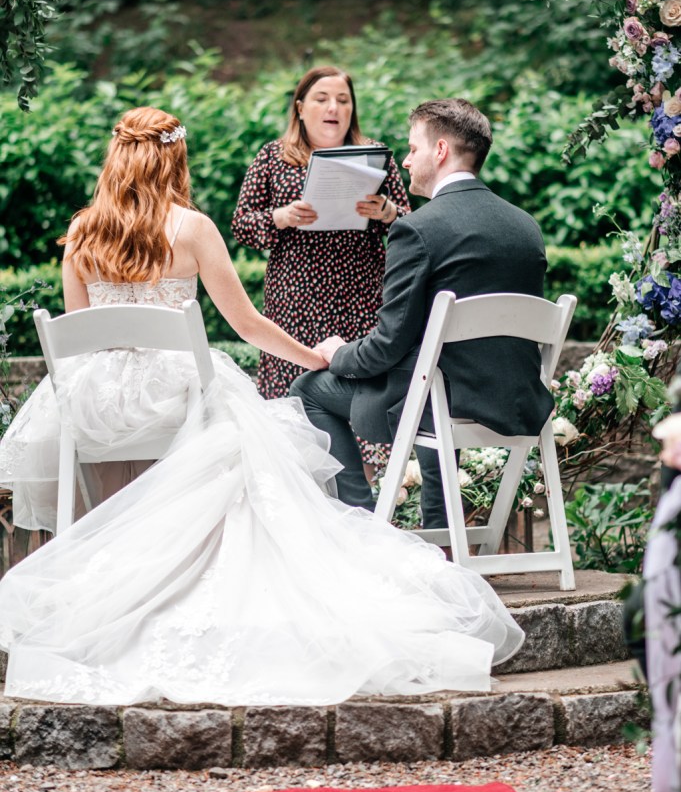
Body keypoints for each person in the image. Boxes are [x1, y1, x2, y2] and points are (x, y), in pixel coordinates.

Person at [0, 106, 524, 707]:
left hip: (93, 409)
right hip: (173, 403)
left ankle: (114, 576)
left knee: (208, 431)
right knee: (245, 432)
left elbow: (81, 334)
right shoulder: (191, 228)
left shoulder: (82, 234)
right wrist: (315, 358)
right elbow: (247, 325)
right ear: (174, 159)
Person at [292, 98, 555, 524]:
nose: (407, 160)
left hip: (441, 399)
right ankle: (441, 530)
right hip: (516, 399)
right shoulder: (525, 226)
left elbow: (387, 345)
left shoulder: (417, 228)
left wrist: (338, 353)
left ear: (441, 150)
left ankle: (358, 523)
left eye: (413, 149)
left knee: (310, 390)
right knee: (431, 373)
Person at [232, 66, 410, 480]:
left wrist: (386, 212)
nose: (334, 108)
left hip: (361, 298)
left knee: (360, 398)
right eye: (322, 98)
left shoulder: (375, 154)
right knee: (294, 405)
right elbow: (241, 225)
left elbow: (411, 227)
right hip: (296, 301)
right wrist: (280, 217)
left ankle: (363, 498)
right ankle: (297, 491)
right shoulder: (273, 156)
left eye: (343, 100)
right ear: (300, 107)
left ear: (353, 110)